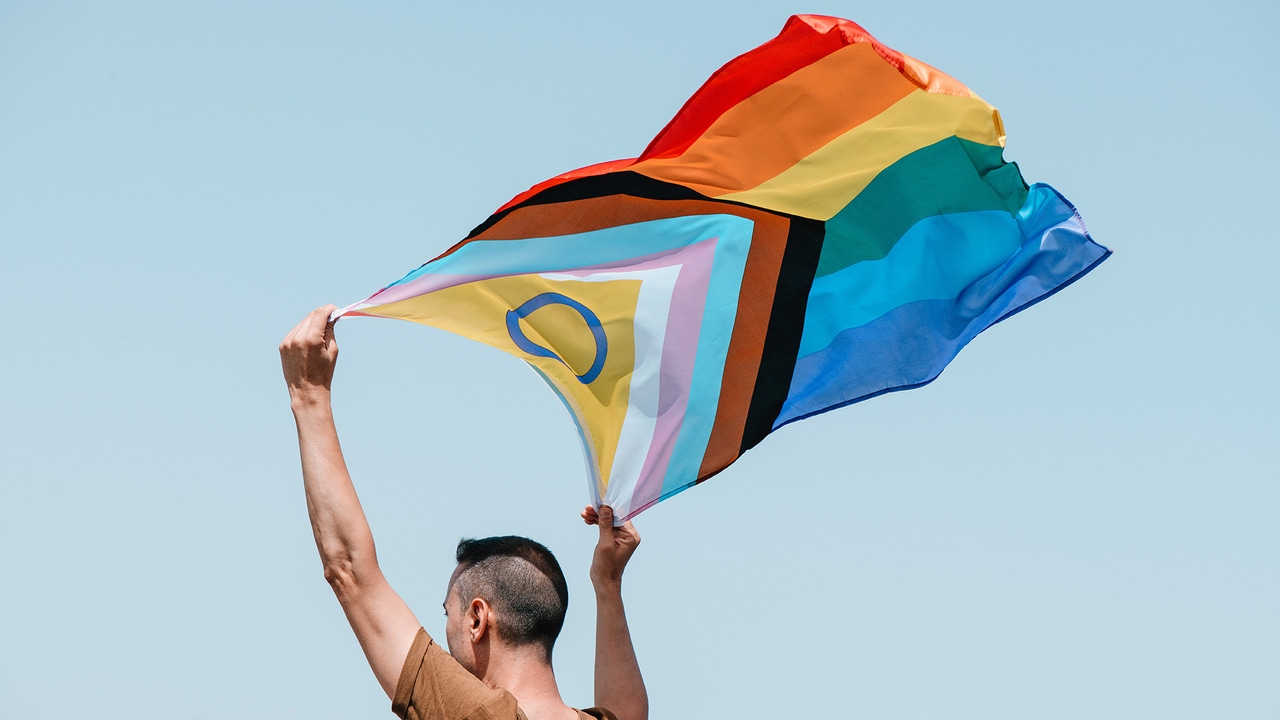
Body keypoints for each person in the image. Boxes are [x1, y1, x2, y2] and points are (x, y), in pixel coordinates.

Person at [280, 306, 648, 720]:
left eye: (447, 613)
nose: (445, 630)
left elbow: (349, 571)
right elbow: (628, 711)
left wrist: (308, 396)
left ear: (478, 618)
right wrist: (608, 584)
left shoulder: (479, 713)